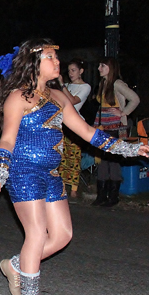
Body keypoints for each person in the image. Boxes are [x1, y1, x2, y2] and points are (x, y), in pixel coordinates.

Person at [0, 39, 149, 295]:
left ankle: (16, 266)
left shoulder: (59, 98)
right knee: (37, 234)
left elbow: (90, 133)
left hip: (51, 175)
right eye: (51, 57)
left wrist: (129, 148)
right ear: (35, 63)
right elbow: (7, 138)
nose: (57, 62)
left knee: (62, 235)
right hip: (23, 173)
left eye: (57, 57)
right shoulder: (18, 98)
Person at [91, 57, 140, 207]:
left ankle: (113, 196)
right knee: (103, 161)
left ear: (111, 68)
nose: (99, 68)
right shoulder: (102, 83)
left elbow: (135, 99)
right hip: (102, 127)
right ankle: (101, 196)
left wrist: (123, 112)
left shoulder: (117, 84)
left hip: (115, 128)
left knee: (113, 161)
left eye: (102, 65)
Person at [57, 59, 92, 199]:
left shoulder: (85, 87)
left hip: (75, 125)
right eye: (69, 70)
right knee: (62, 157)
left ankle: (74, 189)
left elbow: (72, 101)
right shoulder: (66, 85)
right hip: (62, 124)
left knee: (74, 157)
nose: (71, 73)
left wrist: (61, 86)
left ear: (81, 71)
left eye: (74, 70)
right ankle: (62, 186)